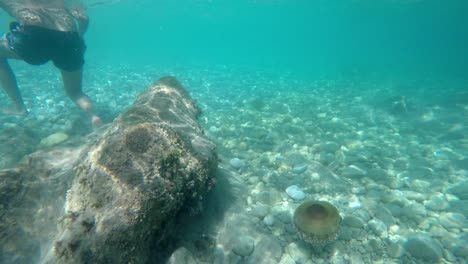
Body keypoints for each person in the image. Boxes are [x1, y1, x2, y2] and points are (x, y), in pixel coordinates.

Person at [0, 0, 102, 127]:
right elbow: (83, 20)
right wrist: (79, 37)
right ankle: (93, 116)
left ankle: (19, 107)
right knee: (75, 92)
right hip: (70, 40)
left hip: (35, 37)